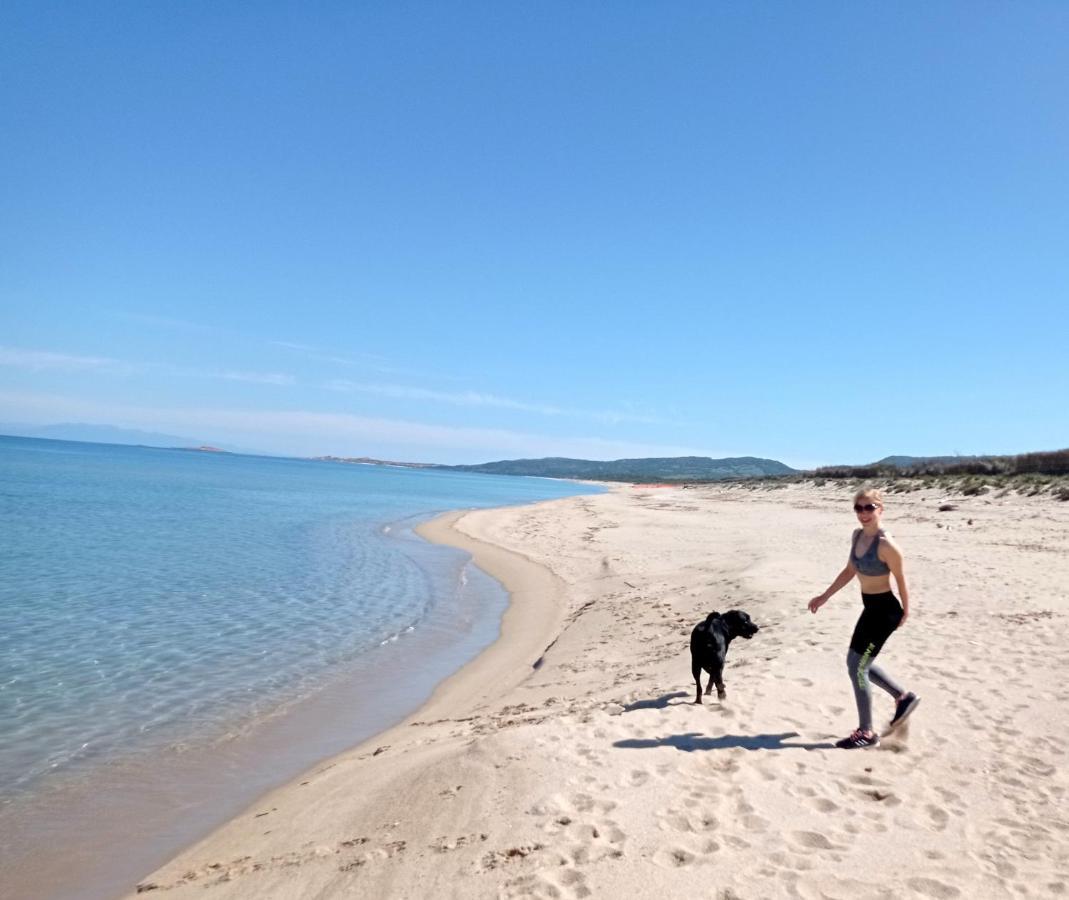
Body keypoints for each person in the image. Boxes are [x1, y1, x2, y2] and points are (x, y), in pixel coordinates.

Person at [808, 487, 920, 749]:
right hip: (870, 608)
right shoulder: (857, 536)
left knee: (859, 667)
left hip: (885, 611)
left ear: (881, 509)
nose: (863, 513)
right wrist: (824, 596)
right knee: (856, 664)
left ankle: (867, 732)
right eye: (859, 508)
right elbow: (850, 570)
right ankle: (902, 697)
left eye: (869, 507)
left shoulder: (887, 545)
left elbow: (901, 579)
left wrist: (906, 610)